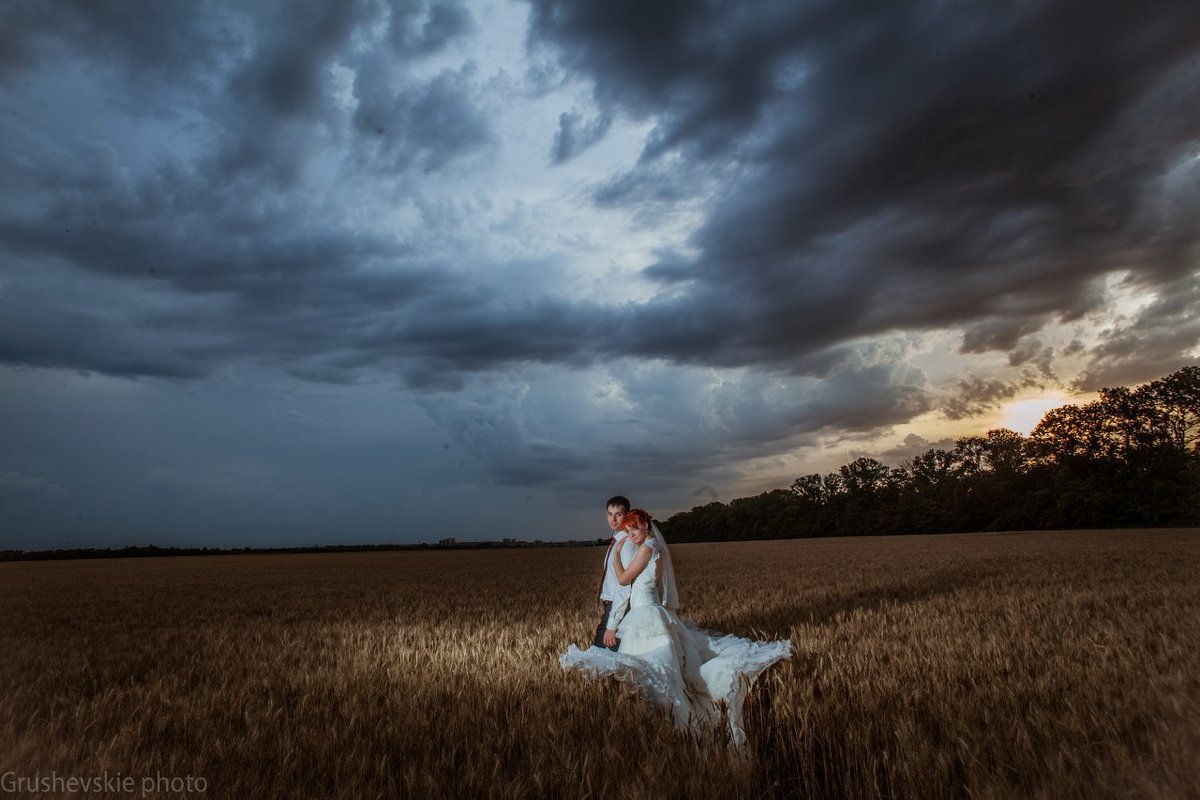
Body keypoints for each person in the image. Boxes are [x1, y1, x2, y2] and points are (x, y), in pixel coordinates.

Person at [561, 509, 792, 751]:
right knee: (655, 664)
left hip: (645, 615)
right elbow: (657, 581)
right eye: (628, 531)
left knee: (653, 665)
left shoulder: (647, 548)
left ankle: (671, 719)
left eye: (635, 529)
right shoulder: (654, 548)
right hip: (650, 611)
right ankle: (659, 717)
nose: (631, 535)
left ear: (647, 526)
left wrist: (617, 556)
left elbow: (622, 580)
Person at [594, 495, 638, 651]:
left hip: (617, 607)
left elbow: (624, 583)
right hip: (611, 605)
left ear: (627, 515)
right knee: (607, 654)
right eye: (609, 514)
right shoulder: (617, 541)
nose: (613, 519)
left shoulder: (627, 544)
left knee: (601, 654)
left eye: (618, 514)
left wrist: (612, 625)